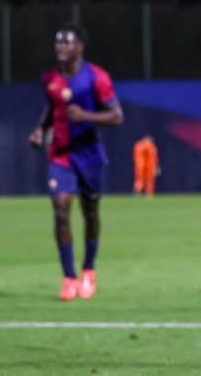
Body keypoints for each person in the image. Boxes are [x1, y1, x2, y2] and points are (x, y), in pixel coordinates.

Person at [28, 23, 123, 302]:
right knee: (60, 209)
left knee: (90, 212)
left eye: (68, 42)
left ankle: (88, 270)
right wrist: (40, 130)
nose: (61, 47)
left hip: (89, 155)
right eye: (58, 42)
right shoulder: (50, 79)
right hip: (60, 155)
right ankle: (68, 277)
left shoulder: (97, 77)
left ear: (80, 46)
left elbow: (117, 116)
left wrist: (86, 117)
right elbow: (50, 110)